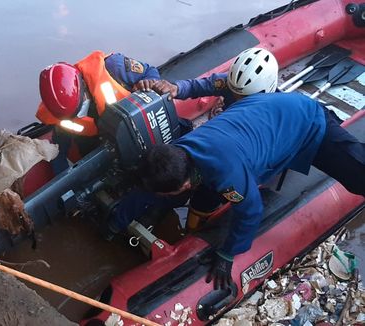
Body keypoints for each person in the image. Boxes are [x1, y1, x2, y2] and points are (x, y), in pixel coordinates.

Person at [139, 91, 365, 291]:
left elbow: (251, 210)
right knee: (207, 195)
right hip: (265, 116)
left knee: (357, 176)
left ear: (184, 185)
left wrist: (228, 252)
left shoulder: (226, 173)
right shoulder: (181, 150)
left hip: (307, 121)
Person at [108, 47, 280, 236]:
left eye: (242, 97)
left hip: (233, 154)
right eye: (235, 92)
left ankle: (193, 234)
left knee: (205, 200)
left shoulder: (270, 115)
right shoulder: (231, 84)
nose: (237, 97)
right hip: (211, 140)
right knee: (159, 182)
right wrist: (176, 88)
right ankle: (124, 221)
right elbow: (201, 85)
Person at [36, 51, 161, 173]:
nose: (79, 116)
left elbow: (151, 71)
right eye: (72, 116)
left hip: (135, 126)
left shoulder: (115, 67)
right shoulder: (59, 112)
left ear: (83, 85)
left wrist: (149, 82)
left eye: (79, 109)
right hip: (97, 143)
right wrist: (64, 187)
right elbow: (59, 149)